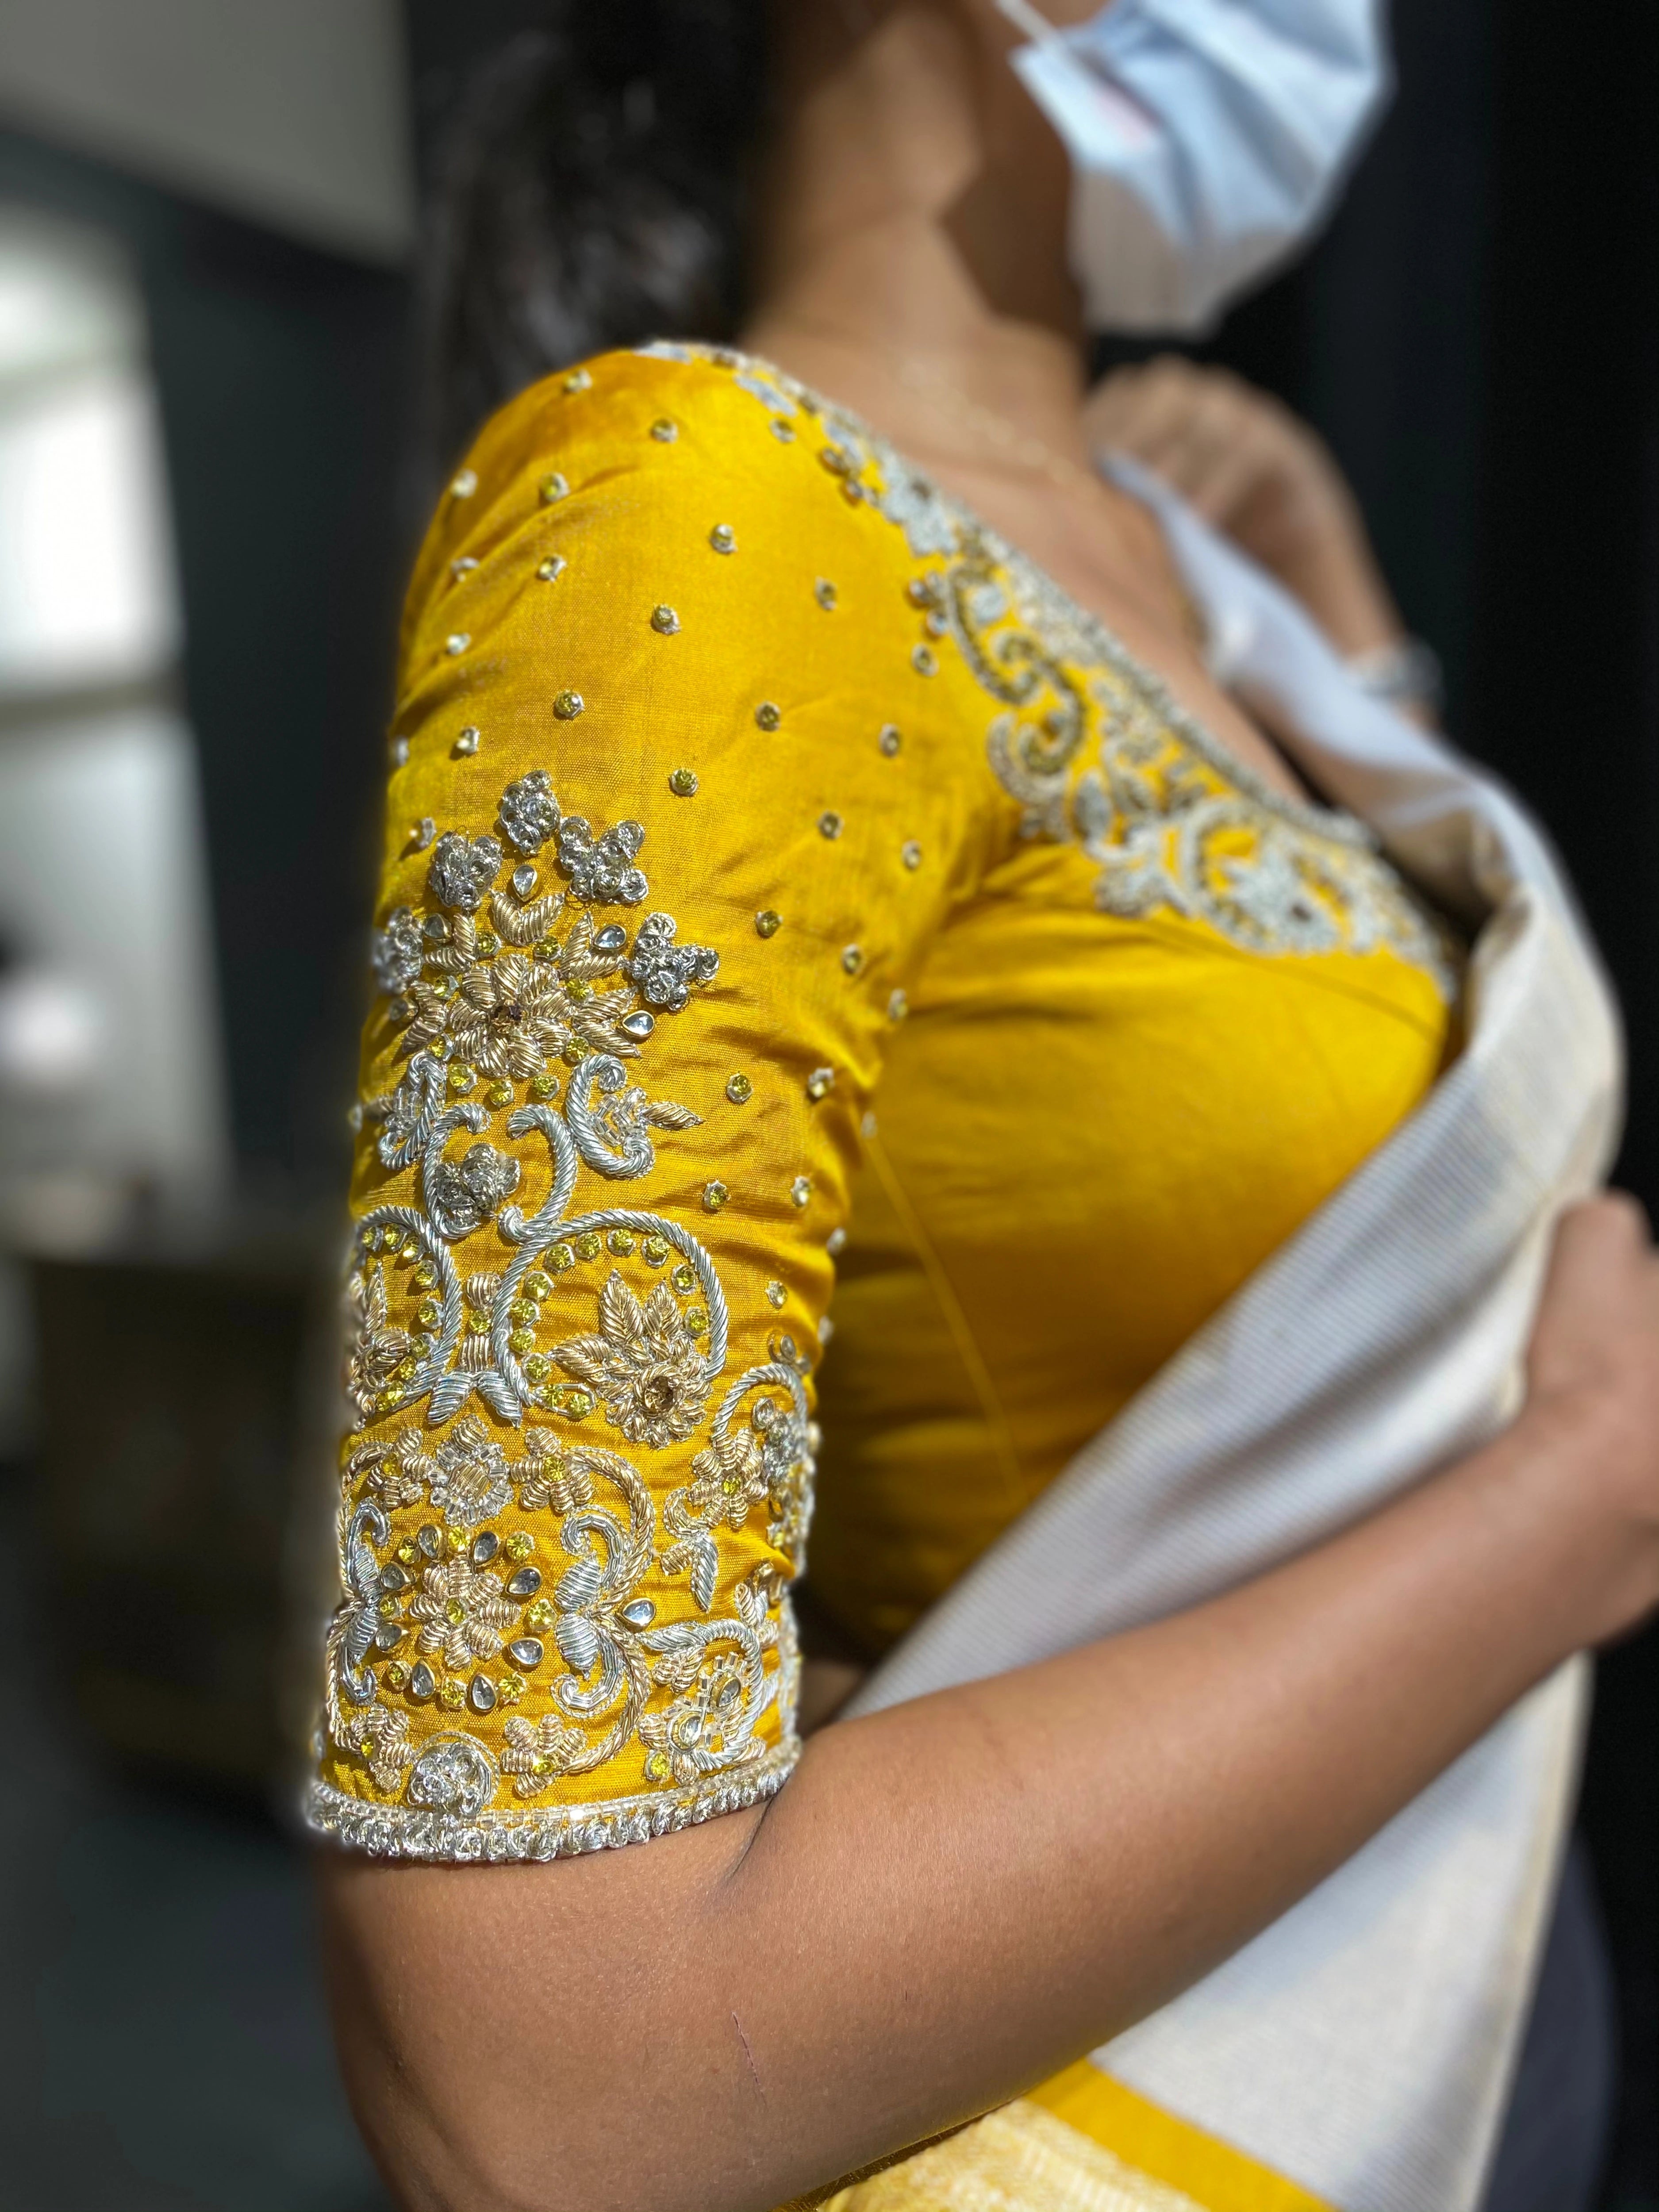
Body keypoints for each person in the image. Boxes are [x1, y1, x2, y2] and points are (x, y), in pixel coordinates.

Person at [308, 6, 1654, 2209]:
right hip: (1157, 2091)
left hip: (1461, 1977)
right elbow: (548, 2078)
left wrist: (1344, 649)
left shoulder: (1201, 592)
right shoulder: (712, 507)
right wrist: (1577, 1500)